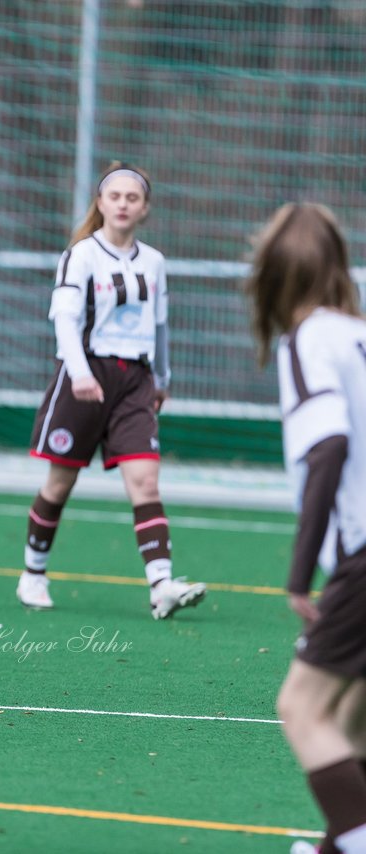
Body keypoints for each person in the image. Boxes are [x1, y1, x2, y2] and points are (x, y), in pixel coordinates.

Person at [16, 161, 206, 617]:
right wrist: (78, 372)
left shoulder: (155, 262)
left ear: (145, 208)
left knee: (145, 480)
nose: (123, 204)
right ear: (100, 203)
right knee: (60, 483)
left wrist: (162, 379)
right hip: (86, 374)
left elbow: (159, 326)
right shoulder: (81, 254)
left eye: (132, 198)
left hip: (136, 381)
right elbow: (65, 318)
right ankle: (33, 573)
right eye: (114, 196)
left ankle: (161, 584)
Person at [246, 203, 366, 854]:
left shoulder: (309, 340)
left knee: (302, 708)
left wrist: (299, 576)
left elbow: (330, 449)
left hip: (362, 555)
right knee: (352, 723)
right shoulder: (355, 333)